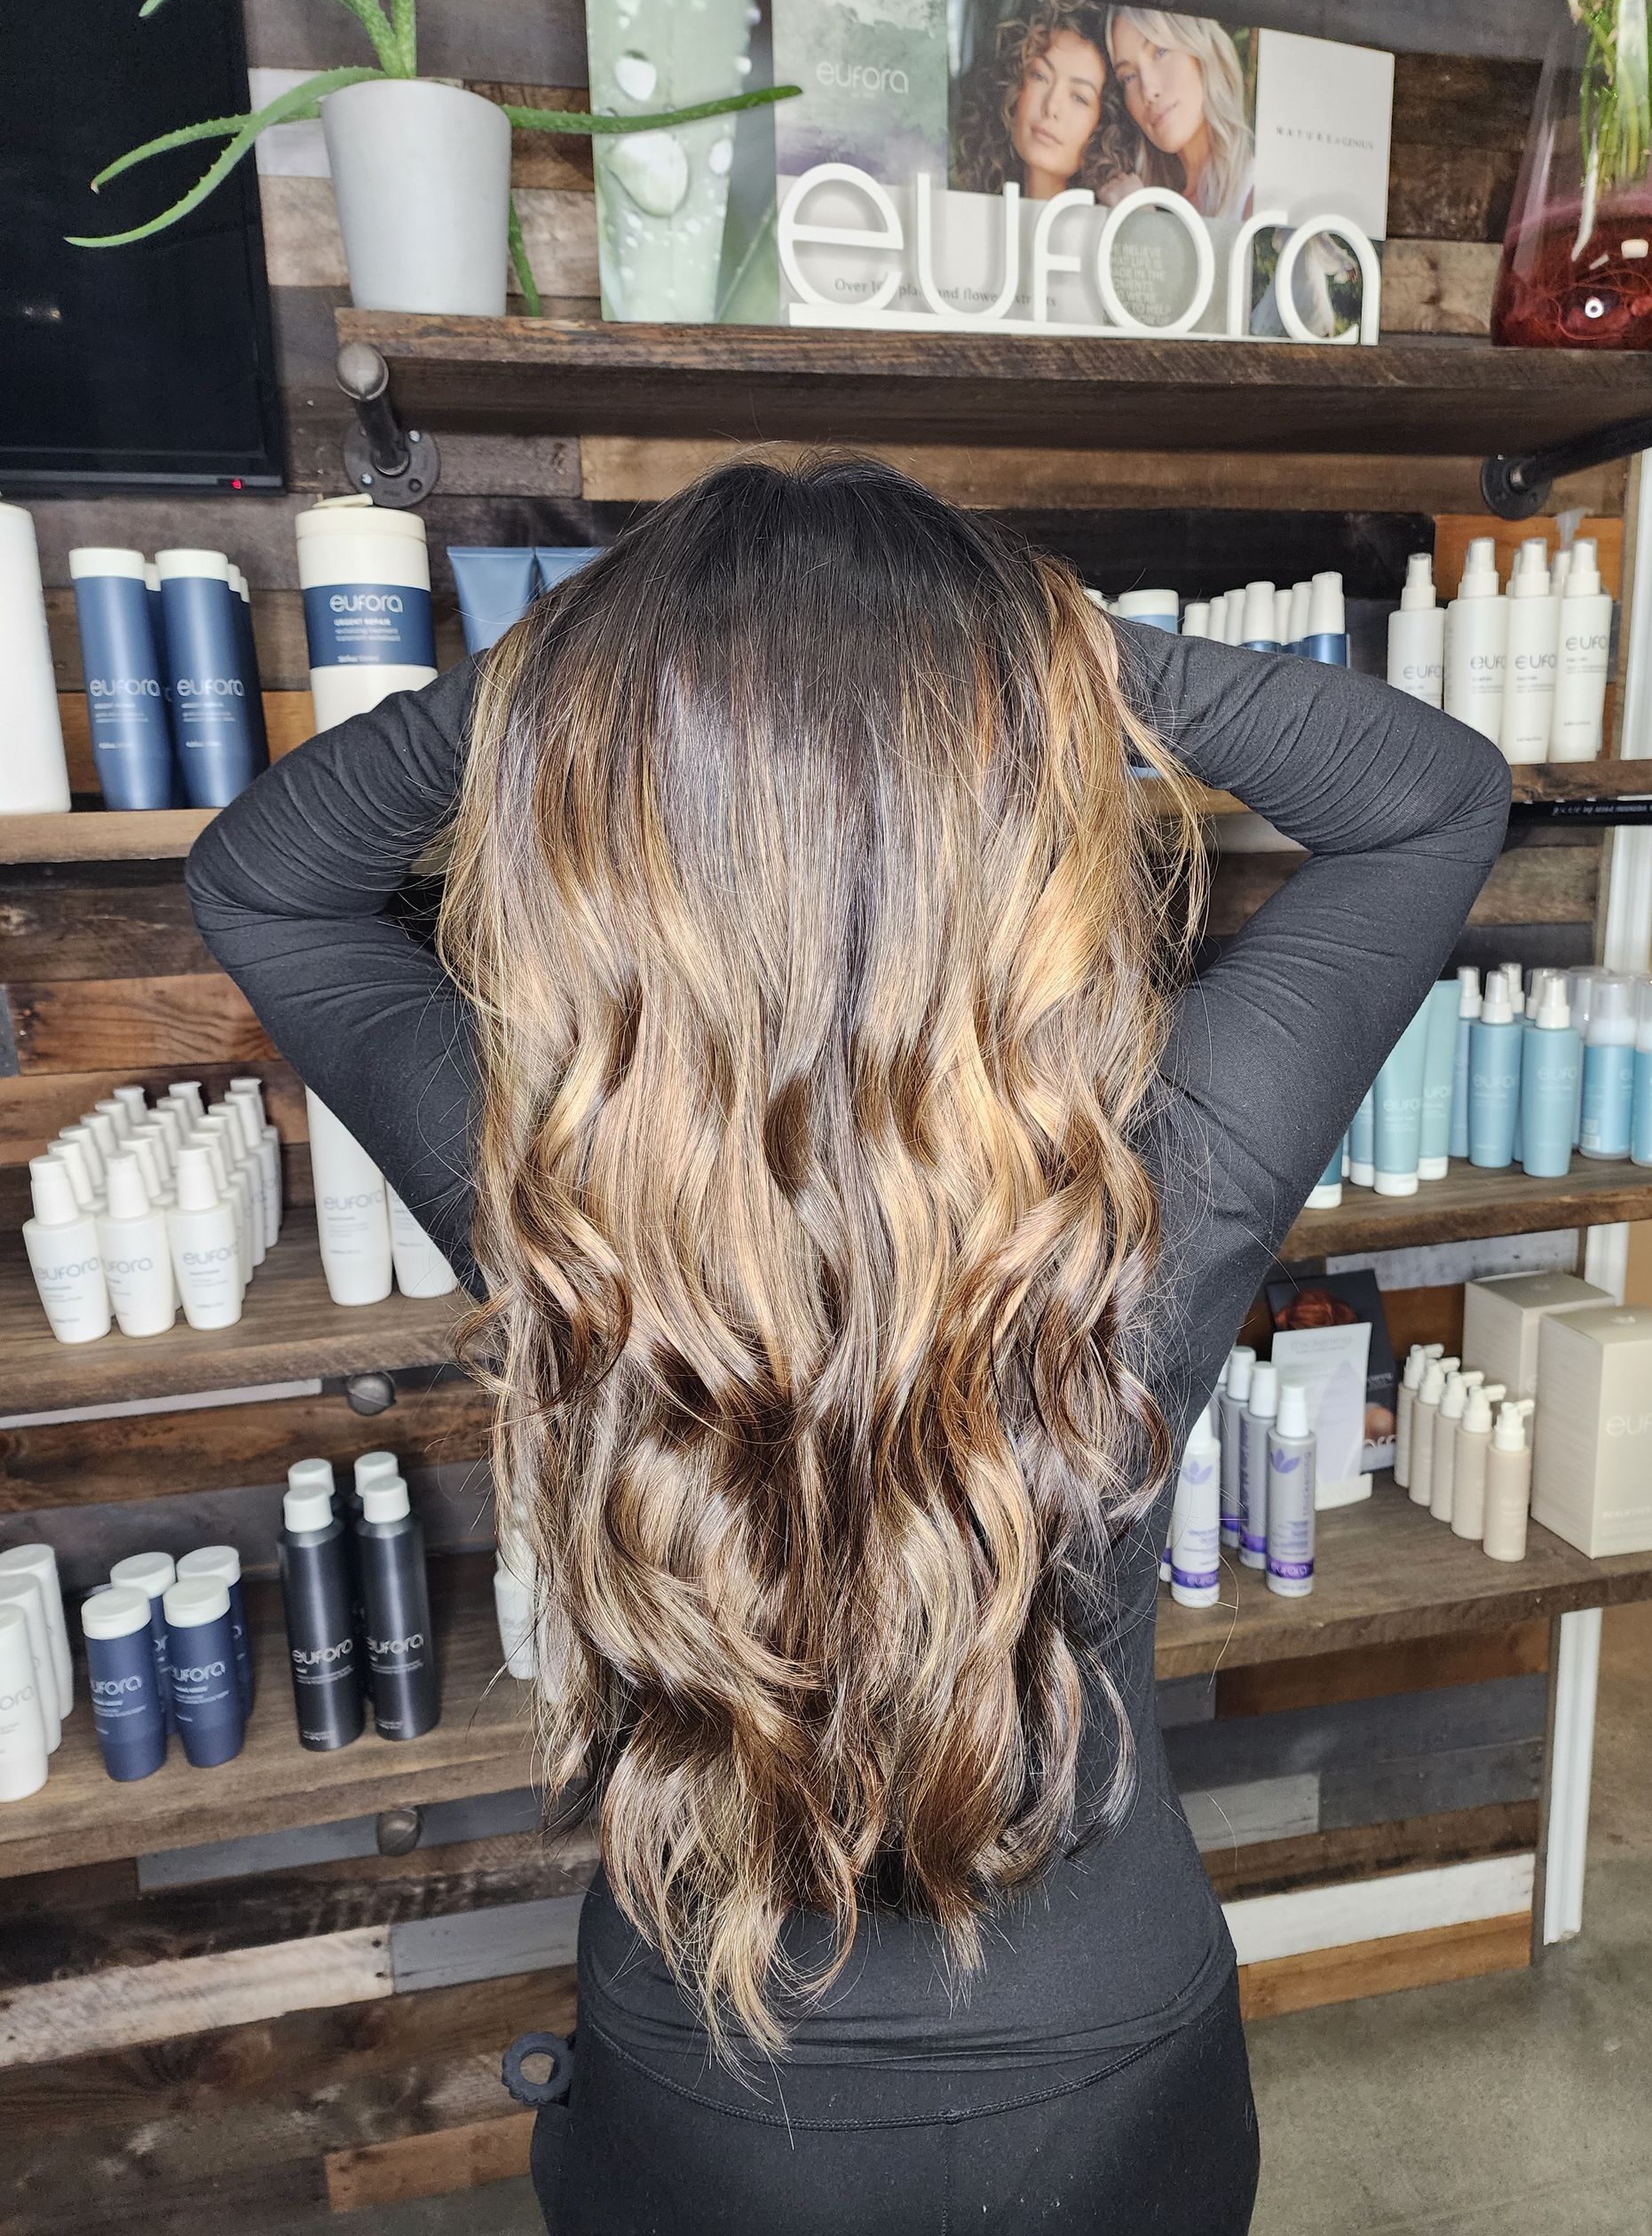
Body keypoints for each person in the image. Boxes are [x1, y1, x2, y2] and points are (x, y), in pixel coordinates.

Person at [187, 457, 1510, 2236]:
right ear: (1009, 801)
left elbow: (263, 879)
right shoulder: (1141, 1187)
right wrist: (1069, 651)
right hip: (1103, 2065)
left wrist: (549, 675)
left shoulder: (562, 1189)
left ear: (623, 823)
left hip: (705, 2068)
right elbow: (1435, 797)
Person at [953, 0, 1122, 201]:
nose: (1051, 106)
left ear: (1105, 124)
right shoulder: (968, 207)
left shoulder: (1112, 229)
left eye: (1079, 97)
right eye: (1040, 76)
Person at [1103, 8, 1254, 220]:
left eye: (1160, 52)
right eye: (1128, 77)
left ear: (1200, 51)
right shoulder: (1153, 199)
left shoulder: (1257, 195)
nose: (1148, 91)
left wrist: (1143, 228)